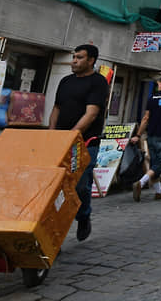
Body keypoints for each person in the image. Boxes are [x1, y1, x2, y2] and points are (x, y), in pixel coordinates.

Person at [48, 44, 109, 242]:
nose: (74, 60)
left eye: (79, 57)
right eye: (74, 57)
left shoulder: (97, 82)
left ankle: (83, 216)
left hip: (85, 142)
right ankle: (52, 229)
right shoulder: (65, 81)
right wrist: (51, 133)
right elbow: (56, 108)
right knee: (54, 186)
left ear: (91, 60)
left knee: (81, 185)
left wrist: (73, 135)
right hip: (59, 142)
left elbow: (91, 113)